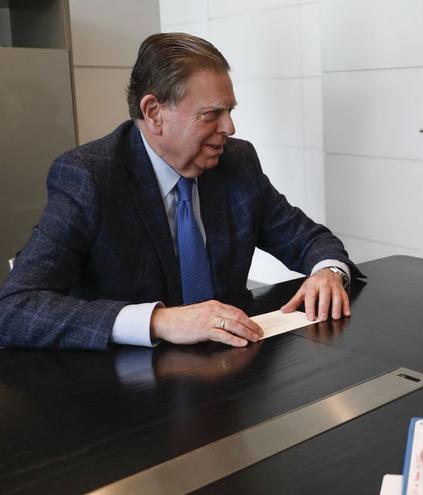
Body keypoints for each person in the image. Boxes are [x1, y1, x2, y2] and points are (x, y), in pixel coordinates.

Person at [0, 33, 360, 350]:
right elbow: (16, 307)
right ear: (154, 112)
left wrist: (328, 273)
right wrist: (160, 321)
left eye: (230, 111)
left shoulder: (237, 162)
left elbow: (309, 240)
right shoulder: (89, 176)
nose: (230, 127)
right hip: (128, 396)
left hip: (232, 371)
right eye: (211, 114)